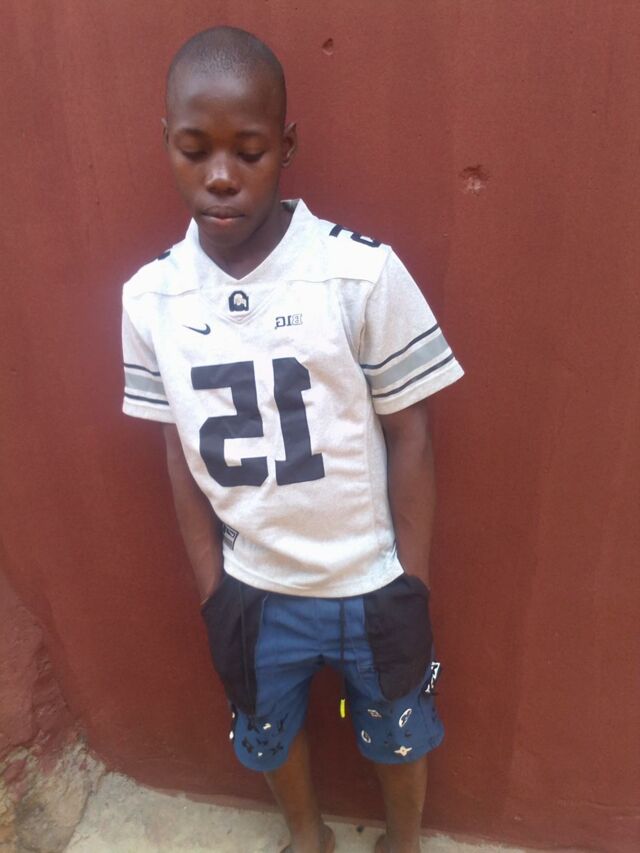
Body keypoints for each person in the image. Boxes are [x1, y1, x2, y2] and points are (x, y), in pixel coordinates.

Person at [121, 25, 463, 853]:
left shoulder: (358, 273)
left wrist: (410, 582)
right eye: (195, 150)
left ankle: (404, 841)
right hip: (253, 586)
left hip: (368, 577)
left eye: (249, 151)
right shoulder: (150, 298)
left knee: (398, 732)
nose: (221, 176)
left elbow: (410, 432)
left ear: (287, 146)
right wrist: (213, 587)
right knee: (268, 731)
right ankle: (307, 836)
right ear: (165, 142)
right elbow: (178, 452)